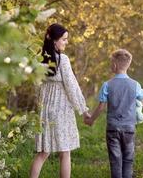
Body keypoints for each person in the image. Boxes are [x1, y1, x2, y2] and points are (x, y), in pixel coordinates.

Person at [30, 23, 90, 178]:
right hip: (61, 109)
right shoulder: (62, 59)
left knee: (44, 152)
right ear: (54, 41)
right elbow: (71, 86)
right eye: (64, 39)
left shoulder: (40, 60)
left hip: (45, 109)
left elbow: (37, 86)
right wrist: (82, 109)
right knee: (65, 152)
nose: (66, 42)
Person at [84, 49, 143, 178]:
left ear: (114, 65)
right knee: (128, 160)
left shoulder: (107, 85)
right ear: (128, 65)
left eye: (110, 63)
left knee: (115, 161)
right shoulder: (135, 85)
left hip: (112, 128)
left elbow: (101, 107)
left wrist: (91, 120)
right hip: (129, 128)